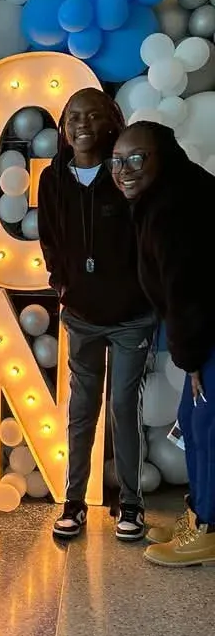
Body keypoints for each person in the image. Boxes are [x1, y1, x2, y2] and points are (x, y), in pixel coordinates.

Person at [38, 88, 157, 543]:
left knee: (123, 407)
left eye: (91, 115)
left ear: (110, 121)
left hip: (131, 318)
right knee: (82, 409)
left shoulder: (125, 172)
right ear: (63, 127)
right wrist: (62, 284)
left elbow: (149, 237)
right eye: (73, 117)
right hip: (81, 316)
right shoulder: (53, 178)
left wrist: (146, 291)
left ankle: (131, 504)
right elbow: (49, 238)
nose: (81, 124)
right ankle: (74, 502)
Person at [110, 121, 215, 568]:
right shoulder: (167, 194)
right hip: (205, 329)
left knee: (206, 425)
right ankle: (199, 515)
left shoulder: (174, 207)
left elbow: (187, 290)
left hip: (209, 329)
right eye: (117, 161)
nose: (124, 170)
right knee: (192, 420)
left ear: (164, 156)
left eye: (137, 158)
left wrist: (190, 360)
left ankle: (208, 528)